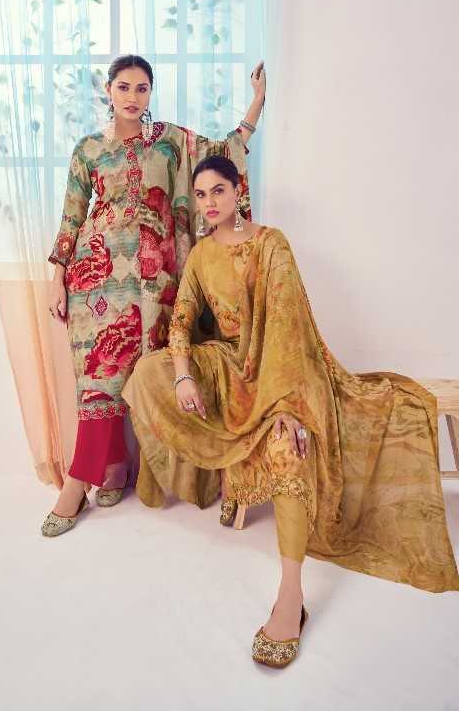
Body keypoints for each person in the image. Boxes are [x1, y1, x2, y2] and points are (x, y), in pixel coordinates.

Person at [122, 154, 459, 668]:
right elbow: (183, 320)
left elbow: (286, 328)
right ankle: (231, 471)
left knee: (286, 446)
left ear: (238, 190)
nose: (209, 202)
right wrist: (185, 373)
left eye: (218, 190)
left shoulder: (271, 243)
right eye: (201, 194)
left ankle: (291, 594)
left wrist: (284, 404)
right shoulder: (202, 254)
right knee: (150, 372)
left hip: (285, 371)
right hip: (229, 367)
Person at [42, 54, 266, 536]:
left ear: (150, 93)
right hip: (95, 278)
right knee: (99, 377)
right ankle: (81, 480)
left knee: (142, 373)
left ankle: (119, 467)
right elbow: (72, 215)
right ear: (108, 90)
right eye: (123, 87)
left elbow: (221, 155)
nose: (132, 96)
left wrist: (257, 104)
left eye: (142, 88)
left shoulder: (169, 141)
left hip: (153, 281)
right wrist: (57, 276)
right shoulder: (87, 149)